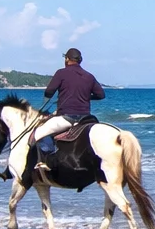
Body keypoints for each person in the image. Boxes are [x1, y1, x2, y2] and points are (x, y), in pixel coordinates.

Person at [29, 47, 106, 175]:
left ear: (66, 59)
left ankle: (49, 159)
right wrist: (86, 96)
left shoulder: (61, 73)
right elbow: (101, 95)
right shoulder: (89, 76)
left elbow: (48, 91)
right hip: (86, 118)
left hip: (67, 118)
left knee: (38, 134)